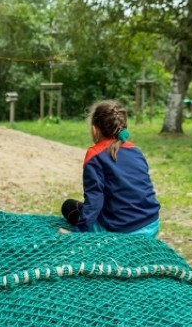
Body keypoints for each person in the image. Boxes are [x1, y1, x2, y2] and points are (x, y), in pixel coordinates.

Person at [61, 100, 160, 237]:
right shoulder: (136, 151)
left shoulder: (95, 155)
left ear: (94, 129)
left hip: (122, 231)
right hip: (151, 224)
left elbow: (94, 201)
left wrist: (78, 235)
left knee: (69, 206)